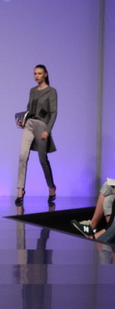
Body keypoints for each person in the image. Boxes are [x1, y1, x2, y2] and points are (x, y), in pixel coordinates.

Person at [15, 65, 57, 205]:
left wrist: (47, 130)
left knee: (42, 158)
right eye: (35, 73)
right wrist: (23, 121)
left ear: (45, 74)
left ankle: (51, 187)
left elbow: (53, 113)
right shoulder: (32, 91)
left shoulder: (51, 91)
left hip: (41, 126)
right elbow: (29, 108)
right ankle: (20, 190)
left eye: (39, 73)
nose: (36, 76)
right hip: (29, 124)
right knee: (22, 156)